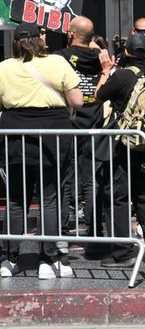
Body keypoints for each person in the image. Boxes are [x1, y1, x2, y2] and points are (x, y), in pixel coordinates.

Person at [0, 22, 83, 279]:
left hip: (14, 135)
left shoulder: (3, 67)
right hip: (52, 136)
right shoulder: (57, 63)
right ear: (41, 38)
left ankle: (8, 260)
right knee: (50, 199)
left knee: (15, 200)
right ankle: (48, 259)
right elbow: (77, 101)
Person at [94, 32, 145, 268]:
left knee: (118, 197)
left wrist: (106, 71)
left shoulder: (122, 75)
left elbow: (98, 96)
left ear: (126, 52)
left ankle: (123, 252)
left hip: (122, 146)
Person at [56, 16, 113, 254]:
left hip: (68, 122)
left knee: (63, 180)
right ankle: (94, 235)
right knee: (91, 180)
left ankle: (62, 235)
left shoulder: (60, 57)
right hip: (94, 122)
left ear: (70, 33)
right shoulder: (103, 60)